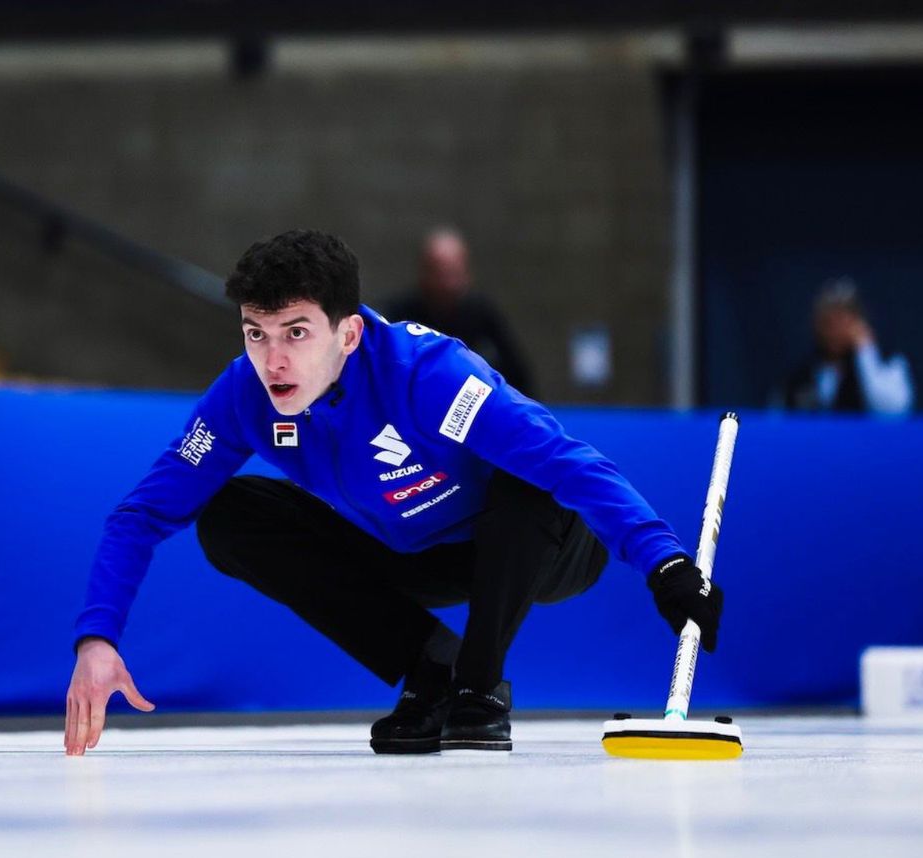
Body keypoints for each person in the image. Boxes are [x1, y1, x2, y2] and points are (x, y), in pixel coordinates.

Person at [65, 230, 723, 756]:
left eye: (297, 332)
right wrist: (98, 639)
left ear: (348, 333)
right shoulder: (244, 396)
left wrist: (664, 562)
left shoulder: (427, 377)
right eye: (255, 333)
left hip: (540, 545)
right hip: (406, 549)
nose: (274, 360)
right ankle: (432, 670)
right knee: (229, 515)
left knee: (525, 470)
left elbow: (565, 461)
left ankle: (478, 686)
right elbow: (142, 513)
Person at [388, 227, 535, 395]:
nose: (447, 283)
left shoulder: (484, 316)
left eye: (453, 273)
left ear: (466, 273)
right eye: (440, 273)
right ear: (424, 273)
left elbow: (518, 377)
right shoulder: (400, 317)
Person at [778, 278, 913, 415]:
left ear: (858, 322)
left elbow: (893, 411)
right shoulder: (801, 375)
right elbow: (776, 419)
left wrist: (865, 351)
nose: (835, 331)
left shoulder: (887, 360)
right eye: (828, 322)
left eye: (843, 321)